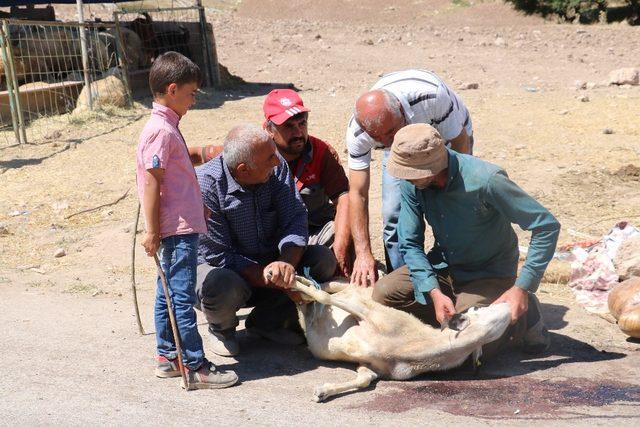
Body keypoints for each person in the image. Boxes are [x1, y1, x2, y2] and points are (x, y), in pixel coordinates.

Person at [373, 123, 560, 355]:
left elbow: (546, 226)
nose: (406, 179)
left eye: (412, 175)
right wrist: (433, 291)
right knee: (383, 295)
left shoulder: (486, 180)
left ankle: (523, 313)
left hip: (488, 273)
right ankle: (462, 312)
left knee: (467, 345)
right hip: (444, 266)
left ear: (431, 169)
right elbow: (410, 242)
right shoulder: (412, 184)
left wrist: (523, 287)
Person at [136, 51, 238, 389]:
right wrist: (152, 231)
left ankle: (168, 356)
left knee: (167, 293)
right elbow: (152, 181)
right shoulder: (161, 131)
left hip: (181, 224)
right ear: (173, 88)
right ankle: (195, 366)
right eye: (192, 93)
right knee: (180, 296)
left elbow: (174, 179)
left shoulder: (166, 126)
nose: (194, 100)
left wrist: (197, 205)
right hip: (176, 231)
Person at [196, 124, 337, 357]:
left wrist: (286, 263)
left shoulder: (275, 165)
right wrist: (272, 277)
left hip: (269, 263)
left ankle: (267, 321)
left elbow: (295, 217)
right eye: (269, 159)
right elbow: (219, 255)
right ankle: (221, 329)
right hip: (227, 271)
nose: (277, 162)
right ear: (243, 170)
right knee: (219, 283)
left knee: (322, 261)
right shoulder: (206, 186)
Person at [188, 89, 353, 277]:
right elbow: (194, 154)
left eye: (302, 124)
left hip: (300, 238)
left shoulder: (320, 153)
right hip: (250, 251)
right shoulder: (243, 152)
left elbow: (342, 197)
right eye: (289, 126)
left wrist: (340, 245)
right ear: (268, 129)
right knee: (223, 285)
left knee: (340, 233)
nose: (299, 133)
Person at [346, 69, 474, 285]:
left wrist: (452, 192)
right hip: (401, 152)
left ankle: (456, 279)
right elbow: (357, 193)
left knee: (450, 211)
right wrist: (363, 253)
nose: (389, 140)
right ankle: (407, 285)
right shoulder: (359, 133)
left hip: (444, 138)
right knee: (394, 215)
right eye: (380, 138)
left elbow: (460, 145)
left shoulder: (430, 97)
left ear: (402, 112)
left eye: (392, 131)